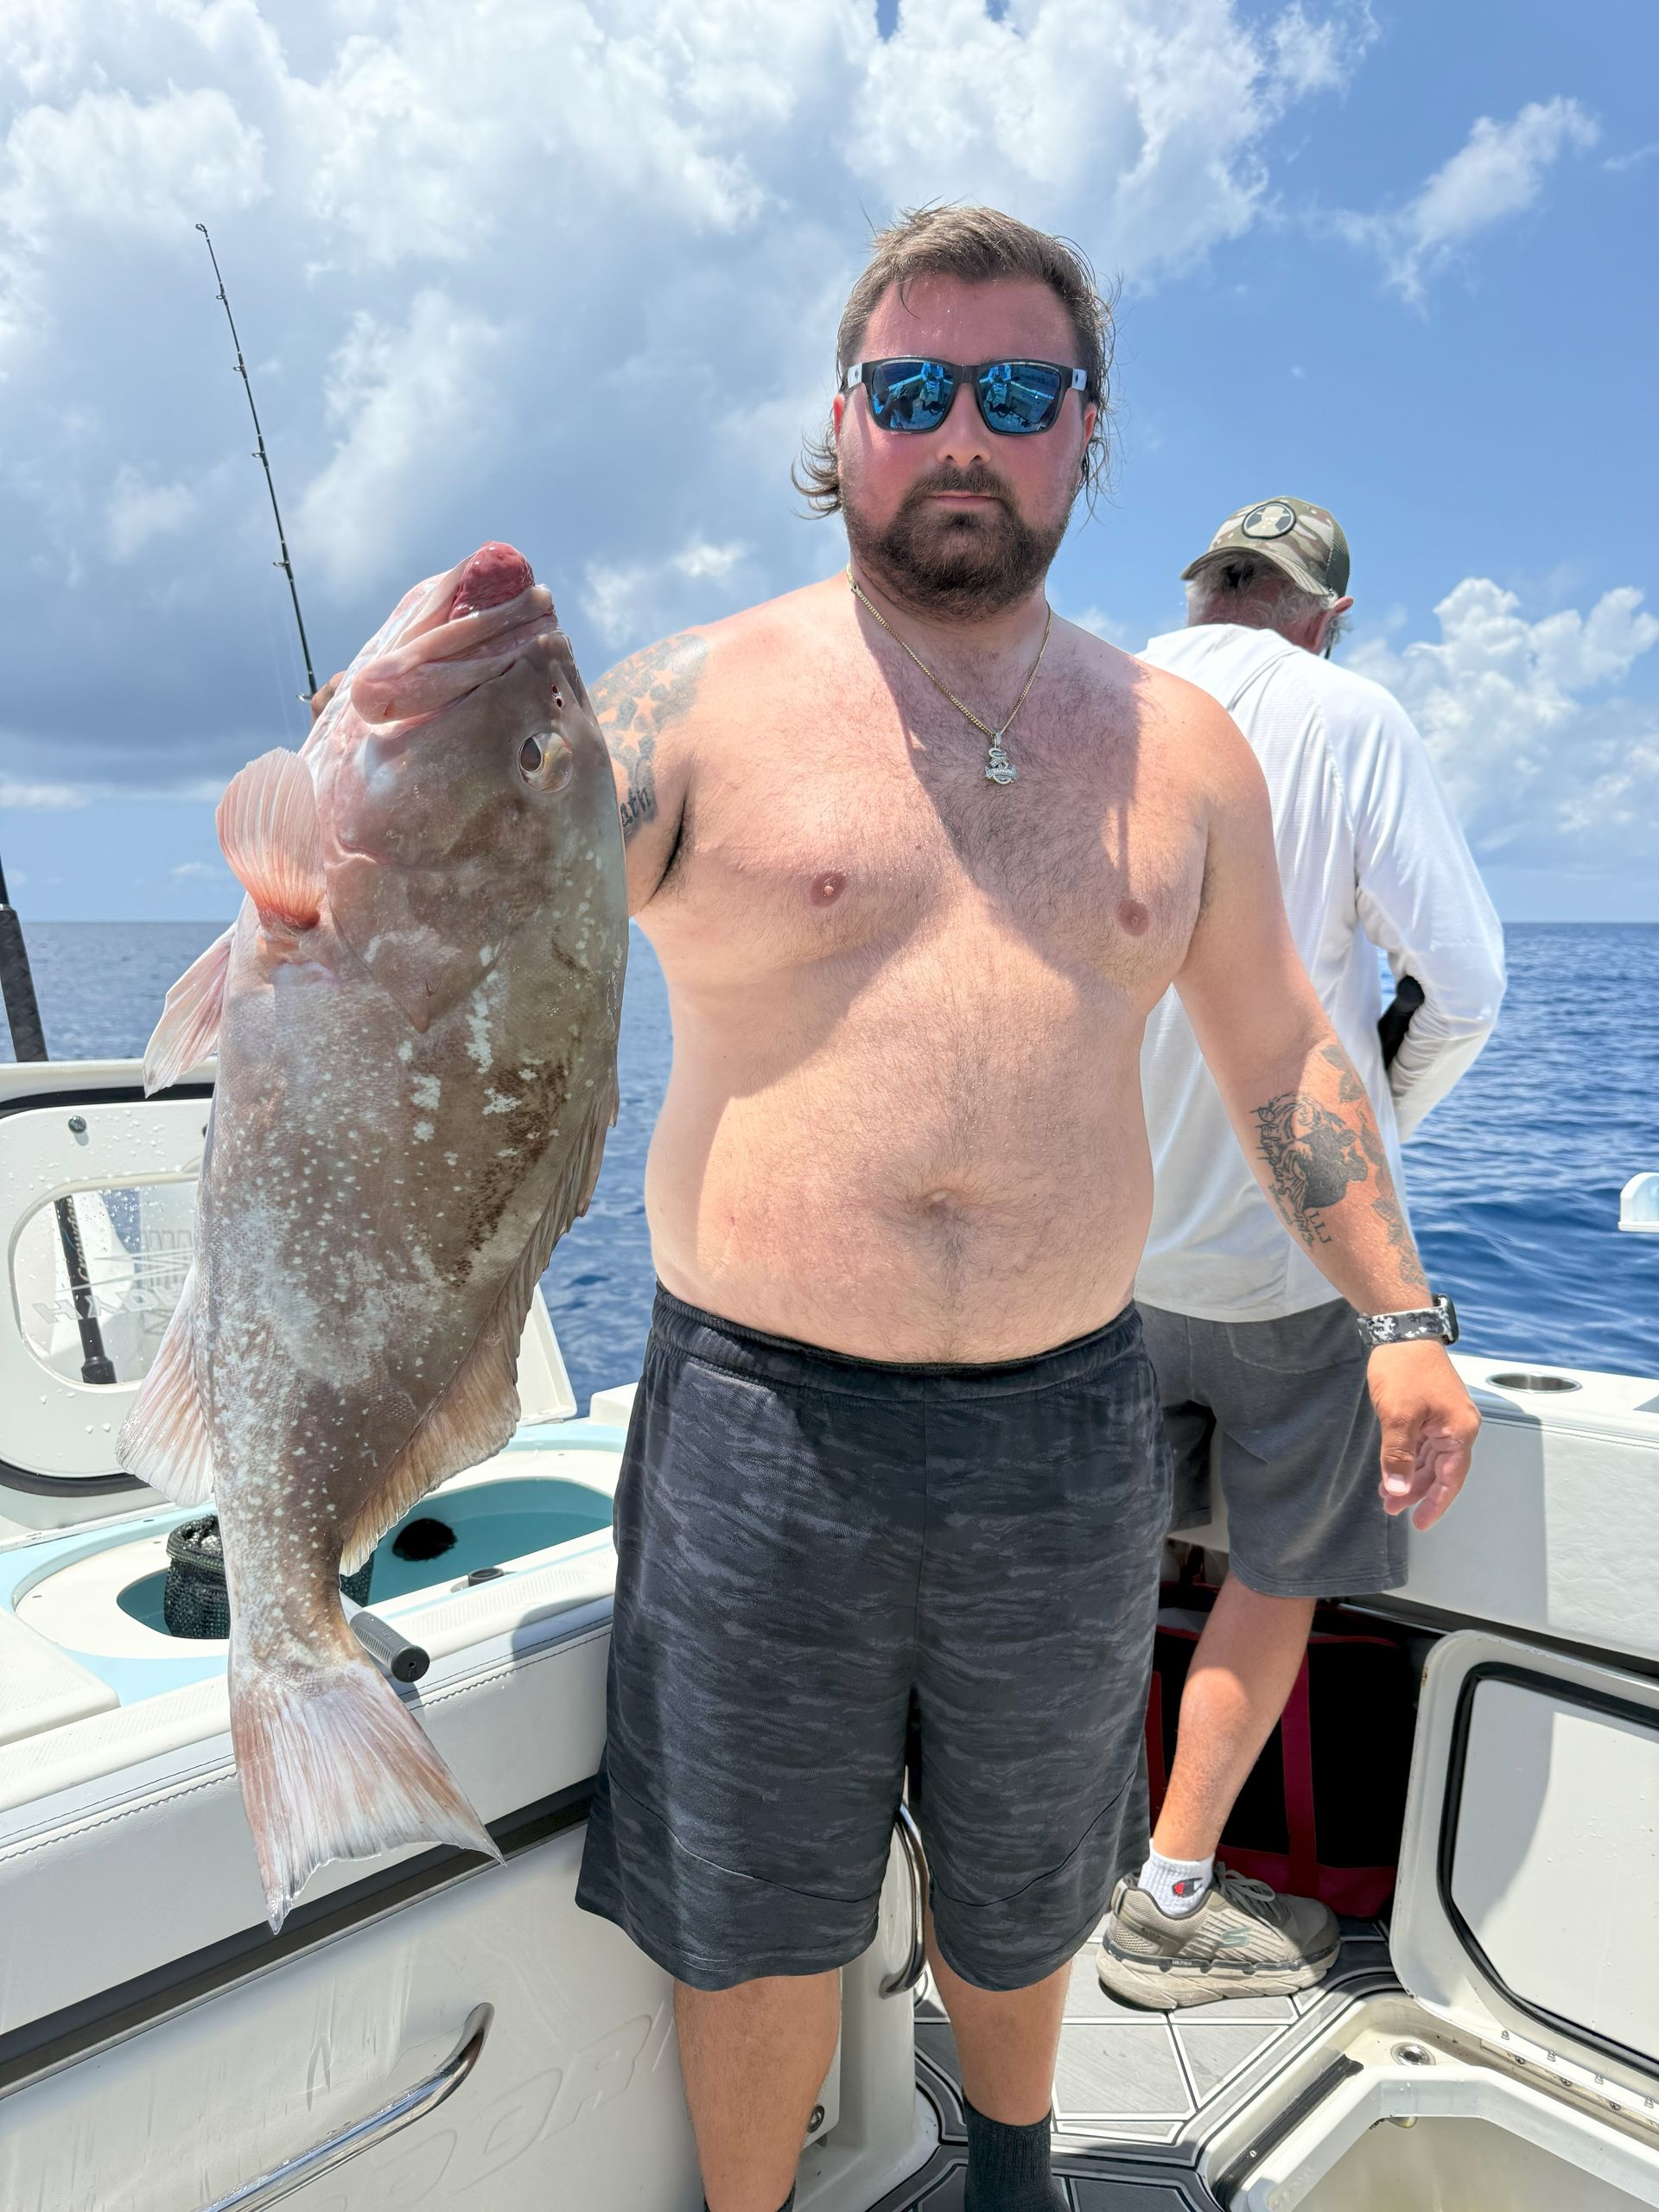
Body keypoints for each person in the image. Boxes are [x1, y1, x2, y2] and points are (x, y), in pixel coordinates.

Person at [569, 208, 1480, 2212]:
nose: (960, 431)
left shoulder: (1185, 749)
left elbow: (1289, 1060)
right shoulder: (683, 710)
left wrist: (1402, 1313)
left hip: (1069, 1417)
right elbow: (463, 941)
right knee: (754, 1896)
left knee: (1031, 1855)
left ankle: (1018, 2171)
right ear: (843, 426)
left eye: (1015, 391)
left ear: (1086, 432)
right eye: (913, 391)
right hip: (758, 1420)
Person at [1096, 504, 1504, 2012]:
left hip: (1102, 1267)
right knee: (1277, 1574)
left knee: (1089, 1572)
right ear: (1323, 614)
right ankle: (1174, 1901)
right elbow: (1464, 981)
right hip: (1291, 1279)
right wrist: (1363, 1136)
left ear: (1201, 588)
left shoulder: (1093, 695)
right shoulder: (1352, 714)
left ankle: (1047, 1863)